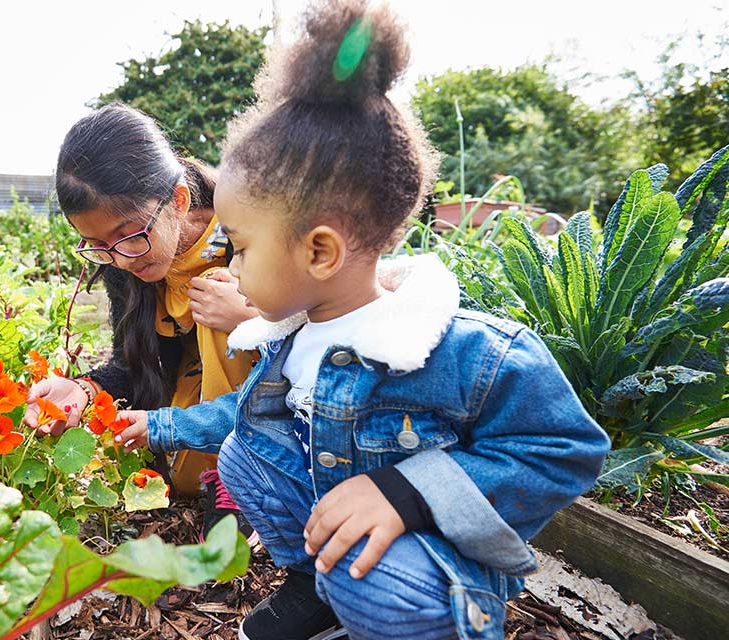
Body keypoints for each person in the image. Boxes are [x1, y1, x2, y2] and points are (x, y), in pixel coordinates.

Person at [112, 1, 613, 639]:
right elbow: (241, 416)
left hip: (424, 560)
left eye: (239, 246)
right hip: (349, 528)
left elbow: (568, 450)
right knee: (245, 452)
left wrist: (409, 493)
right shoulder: (290, 337)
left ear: (318, 251)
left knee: (369, 575)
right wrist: (158, 424)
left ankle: (405, 617)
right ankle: (318, 593)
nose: (229, 265)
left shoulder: (464, 353)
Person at [23, 103, 261, 542]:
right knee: (182, 474)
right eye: (97, 244)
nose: (117, 258)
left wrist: (253, 317)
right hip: (201, 389)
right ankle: (218, 464)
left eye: (128, 235)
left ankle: (241, 471)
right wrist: (83, 388)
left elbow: (331, 321)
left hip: (275, 392)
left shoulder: (252, 226)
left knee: (216, 288)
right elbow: (134, 365)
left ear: (179, 200)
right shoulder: (122, 260)